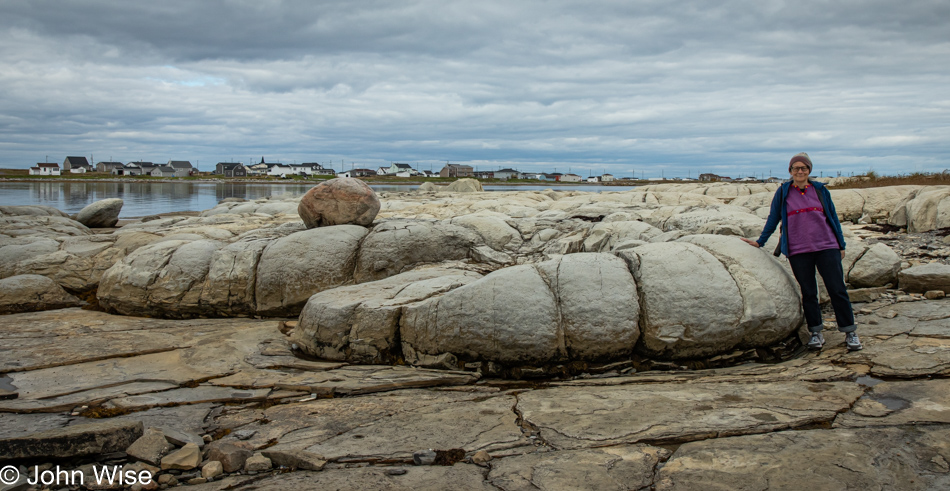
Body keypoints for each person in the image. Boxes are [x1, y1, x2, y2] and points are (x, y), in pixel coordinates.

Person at [740, 152, 861, 351]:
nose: (799, 171)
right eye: (795, 168)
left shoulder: (820, 190)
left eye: (803, 168)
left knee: (837, 289)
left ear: (809, 171)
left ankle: (850, 332)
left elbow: (832, 217)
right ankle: (815, 332)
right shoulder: (784, 191)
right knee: (809, 292)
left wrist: (841, 245)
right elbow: (773, 218)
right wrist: (760, 242)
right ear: (790, 171)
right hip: (798, 250)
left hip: (826, 247)